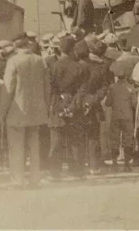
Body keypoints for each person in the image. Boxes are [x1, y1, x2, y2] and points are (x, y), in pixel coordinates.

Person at [0, 36, 50, 188]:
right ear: (28, 44)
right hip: (37, 110)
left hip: (17, 110)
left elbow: (8, 89)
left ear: (15, 45)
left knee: (16, 147)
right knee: (34, 146)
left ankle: (18, 180)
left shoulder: (13, 61)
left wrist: (2, 113)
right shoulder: (40, 60)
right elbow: (47, 87)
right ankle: (35, 179)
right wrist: (45, 107)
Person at [47, 36, 86, 179]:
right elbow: (82, 91)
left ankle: (54, 173)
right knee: (76, 141)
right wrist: (72, 105)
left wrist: (58, 104)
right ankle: (78, 172)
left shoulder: (53, 67)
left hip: (57, 105)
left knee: (56, 142)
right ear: (72, 49)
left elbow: (50, 90)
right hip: (74, 107)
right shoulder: (79, 67)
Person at [77, 39, 111, 174]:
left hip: (77, 105)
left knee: (79, 136)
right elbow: (104, 87)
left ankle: (80, 166)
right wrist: (92, 100)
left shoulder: (75, 67)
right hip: (93, 104)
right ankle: (94, 165)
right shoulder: (98, 68)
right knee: (93, 136)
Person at [103, 67, 137, 171]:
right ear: (126, 76)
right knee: (127, 139)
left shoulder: (112, 87)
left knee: (114, 139)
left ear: (117, 76)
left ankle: (114, 163)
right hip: (127, 116)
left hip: (116, 116)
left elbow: (107, 103)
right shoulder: (131, 88)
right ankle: (127, 164)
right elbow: (134, 104)